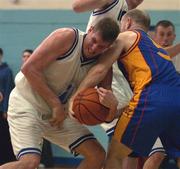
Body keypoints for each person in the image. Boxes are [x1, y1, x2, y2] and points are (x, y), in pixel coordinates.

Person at [0, 17, 120, 169]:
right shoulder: (67, 37)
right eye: (94, 40)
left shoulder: (103, 65)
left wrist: (112, 107)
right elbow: (28, 69)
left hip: (58, 114)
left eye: (102, 47)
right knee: (29, 163)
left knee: (97, 155)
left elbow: (106, 116)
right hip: (27, 104)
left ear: (109, 47)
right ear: (90, 30)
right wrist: (55, 104)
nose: (95, 48)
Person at [70, 9, 180, 169]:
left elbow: (100, 69)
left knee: (116, 155)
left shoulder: (125, 36)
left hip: (152, 96)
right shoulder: (156, 47)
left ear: (127, 22)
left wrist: (75, 96)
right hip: (177, 96)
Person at [72, 1, 144, 168]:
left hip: (114, 75)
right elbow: (77, 6)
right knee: (117, 145)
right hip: (93, 68)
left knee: (128, 145)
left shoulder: (129, 10)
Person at [0, 48, 16, 165]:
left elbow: (8, 90)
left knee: (4, 136)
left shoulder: (7, 71)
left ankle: (7, 161)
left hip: (2, 111)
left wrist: (6, 109)